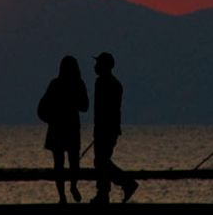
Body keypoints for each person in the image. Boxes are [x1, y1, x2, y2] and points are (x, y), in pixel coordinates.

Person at [37, 55, 89, 204]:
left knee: (59, 164)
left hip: (58, 129)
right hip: (69, 129)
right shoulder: (77, 84)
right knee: (73, 162)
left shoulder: (56, 84)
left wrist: (51, 118)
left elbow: (41, 108)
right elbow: (85, 106)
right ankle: (72, 187)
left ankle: (63, 196)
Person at [90, 52, 139, 204]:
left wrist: (101, 129)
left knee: (101, 161)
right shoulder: (114, 84)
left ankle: (123, 184)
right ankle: (104, 193)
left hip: (105, 129)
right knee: (101, 161)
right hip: (108, 129)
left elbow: (105, 110)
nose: (96, 66)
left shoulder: (104, 83)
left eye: (98, 63)